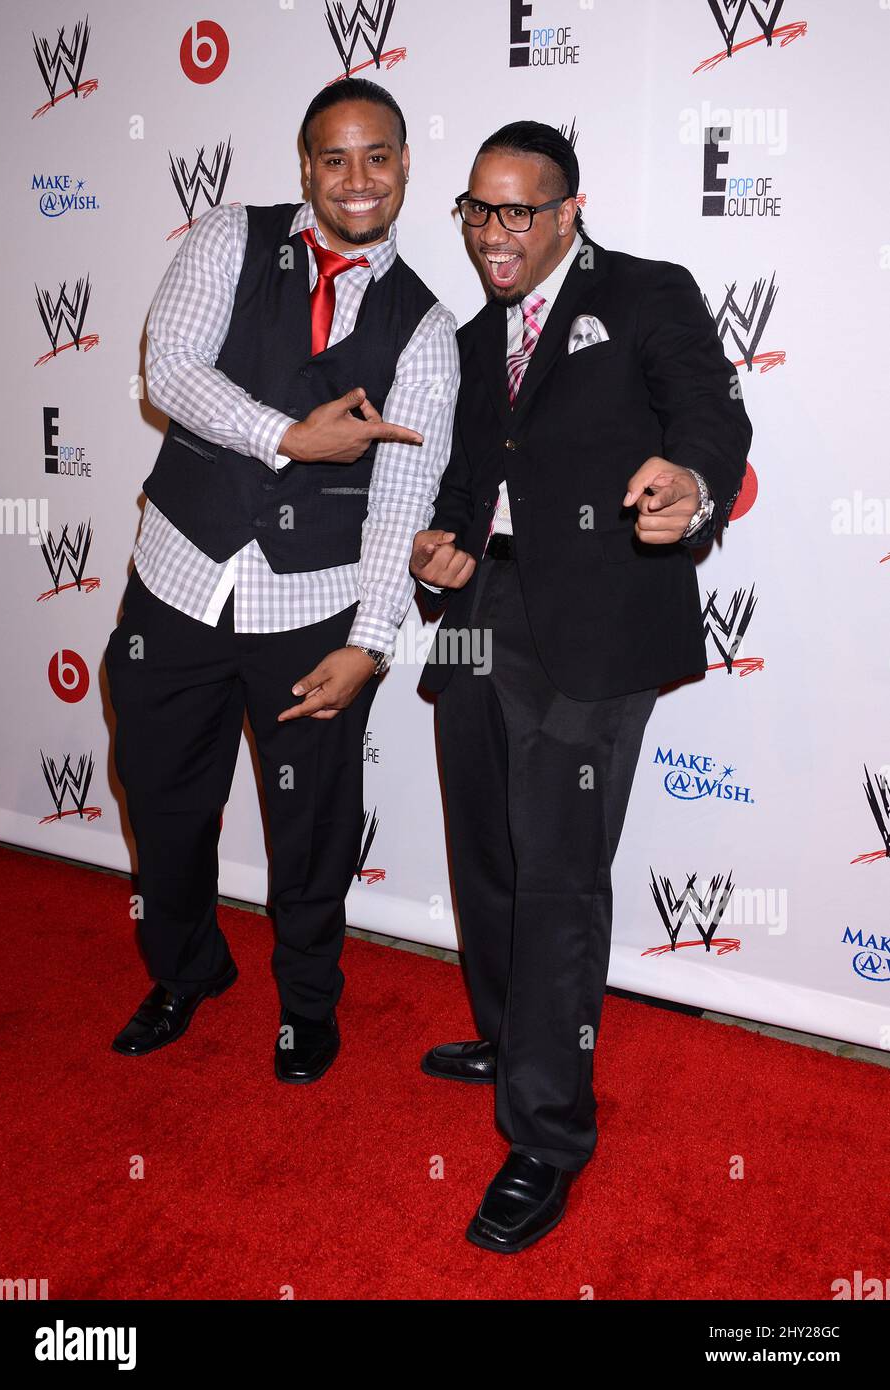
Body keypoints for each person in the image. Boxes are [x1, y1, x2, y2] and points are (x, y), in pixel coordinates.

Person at [410, 122, 751, 1253]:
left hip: (595, 625)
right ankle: (514, 1039)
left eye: (519, 211)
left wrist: (691, 482)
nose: (494, 234)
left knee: (557, 875)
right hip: (476, 620)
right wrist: (442, 545)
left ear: (568, 210)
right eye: (478, 210)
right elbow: (468, 482)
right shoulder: (469, 340)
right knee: (483, 847)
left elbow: (711, 416)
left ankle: (547, 1134)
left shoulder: (650, 294)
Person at [105, 79, 459, 1084]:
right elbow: (169, 368)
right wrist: (286, 437)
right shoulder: (229, 237)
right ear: (305, 166)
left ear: (401, 165)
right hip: (175, 587)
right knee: (163, 804)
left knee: (311, 828)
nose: (357, 178)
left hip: (313, 614)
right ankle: (186, 970)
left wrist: (372, 641)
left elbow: (400, 500)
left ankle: (306, 1003)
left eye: (377, 156)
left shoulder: (424, 330)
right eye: (334, 158)